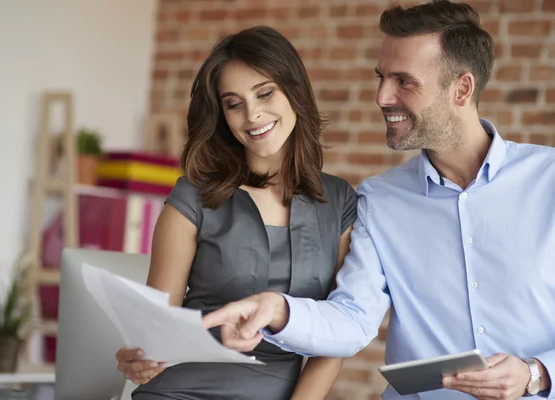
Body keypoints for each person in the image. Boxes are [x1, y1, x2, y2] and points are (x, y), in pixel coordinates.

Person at [203, 1, 555, 400]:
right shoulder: (380, 198)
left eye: (404, 81)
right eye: (381, 77)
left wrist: (537, 373)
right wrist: (276, 309)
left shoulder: (549, 182)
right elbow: (353, 317)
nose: (382, 96)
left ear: (462, 88)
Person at [115, 25, 358, 400]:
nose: (253, 115)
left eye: (264, 93)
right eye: (234, 103)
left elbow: (336, 335)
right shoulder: (194, 195)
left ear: (294, 92)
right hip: (180, 391)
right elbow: (157, 329)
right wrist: (138, 358)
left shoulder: (339, 201)